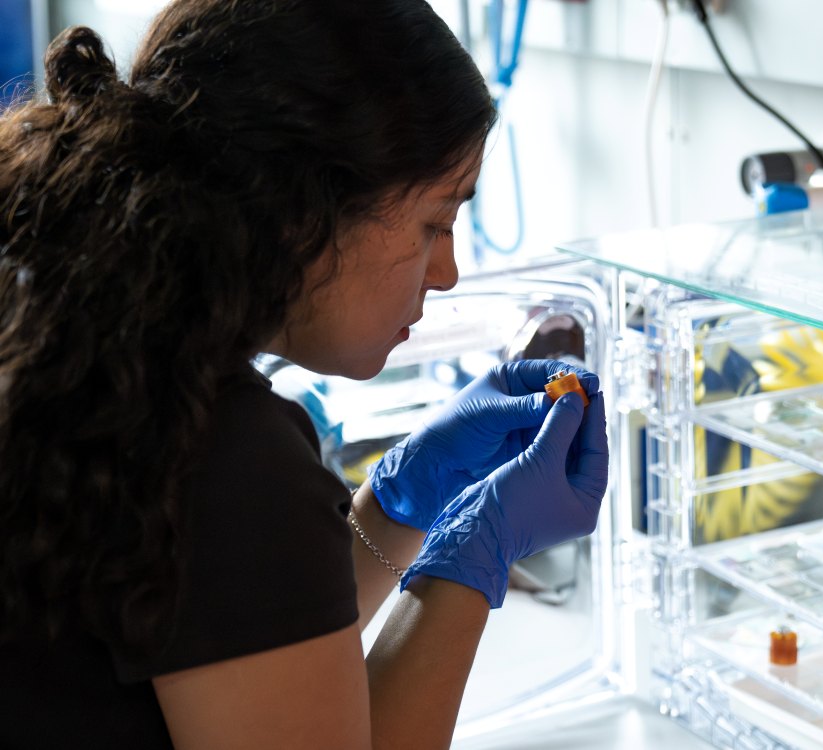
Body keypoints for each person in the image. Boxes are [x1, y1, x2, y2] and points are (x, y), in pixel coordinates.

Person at [0, 1, 609, 748]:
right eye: (435, 223)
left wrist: (398, 505)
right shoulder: (224, 448)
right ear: (304, 206)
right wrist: (473, 558)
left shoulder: (103, 354)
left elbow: (234, 632)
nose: (447, 273)